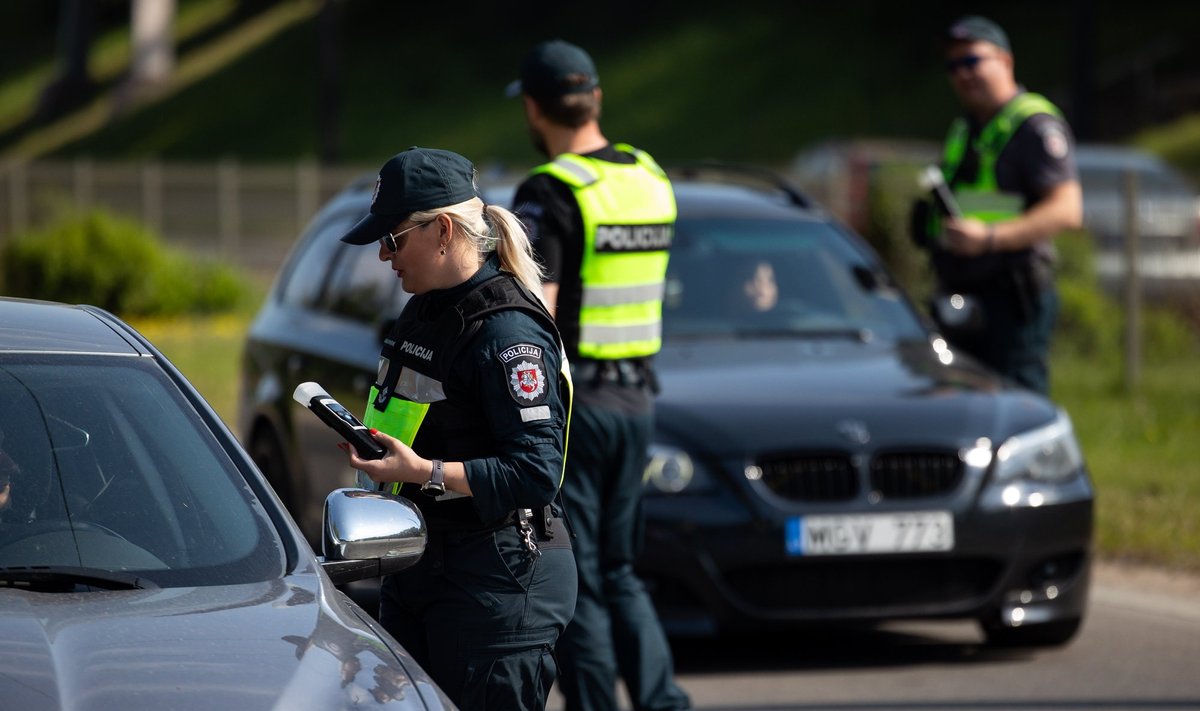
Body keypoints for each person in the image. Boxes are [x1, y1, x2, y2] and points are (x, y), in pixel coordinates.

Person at [338, 146, 577, 711]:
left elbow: (537, 471)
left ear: (443, 230)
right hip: (424, 568)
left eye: (392, 240)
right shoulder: (424, 308)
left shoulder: (506, 332)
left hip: (497, 583)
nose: (381, 255)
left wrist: (423, 471)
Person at [509, 39, 691, 711]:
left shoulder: (551, 189)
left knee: (577, 572)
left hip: (581, 407)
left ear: (535, 107)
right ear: (596, 100)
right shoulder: (648, 175)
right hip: (640, 396)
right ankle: (662, 700)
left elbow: (538, 310)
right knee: (622, 570)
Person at [914, 15, 1083, 394]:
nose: (963, 74)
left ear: (1005, 61)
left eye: (973, 61)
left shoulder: (1034, 125)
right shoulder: (966, 128)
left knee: (1015, 404)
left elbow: (1067, 209)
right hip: (962, 290)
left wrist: (989, 237)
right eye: (954, 66)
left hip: (1012, 295)